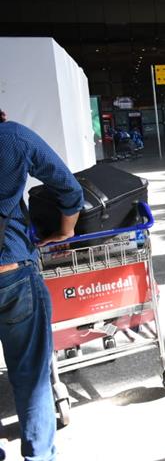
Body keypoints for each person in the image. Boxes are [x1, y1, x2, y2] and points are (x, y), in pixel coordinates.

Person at [0, 115, 84, 461]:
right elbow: (69, 189)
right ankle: (39, 457)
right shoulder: (13, 137)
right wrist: (65, 231)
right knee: (30, 375)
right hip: (13, 272)